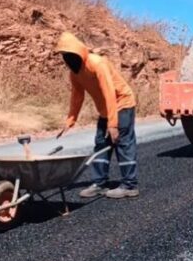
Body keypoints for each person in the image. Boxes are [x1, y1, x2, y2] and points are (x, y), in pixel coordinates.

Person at [55, 32, 139, 199]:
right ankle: (99, 183)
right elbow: (77, 96)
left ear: (79, 52)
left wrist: (113, 124)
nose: (68, 59)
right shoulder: (75, 73)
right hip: (105, 110)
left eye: (70, 55)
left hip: (122, 103)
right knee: (101, 143)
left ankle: (130, 185)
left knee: (122, 142)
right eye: (65, 56)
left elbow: (109, 92)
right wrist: (70, 120)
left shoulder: (97, 63)